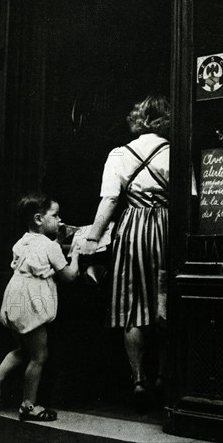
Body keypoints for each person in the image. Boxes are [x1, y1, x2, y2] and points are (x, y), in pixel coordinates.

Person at [79, 94, 171, 412]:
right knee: (165, 303)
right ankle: (162, 376)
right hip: (166, 228)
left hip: (133, 229)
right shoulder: (176, 151)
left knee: (133, 306)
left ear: (139, 119)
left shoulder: (119, 154)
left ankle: (137, 379)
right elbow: (189, 198)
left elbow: (109, 201)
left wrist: (91, 238)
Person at [0, 193, 80, 421]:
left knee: (22, 349)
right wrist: (75, 255)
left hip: (15, 298)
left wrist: (57, 241)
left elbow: (40, 255)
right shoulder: (50, 247)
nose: (60, 220)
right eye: (55, 215)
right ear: (39, 219)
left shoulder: (23, 241)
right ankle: (28, 405)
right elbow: (68, 276)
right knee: (39, 355)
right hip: (32, 303)